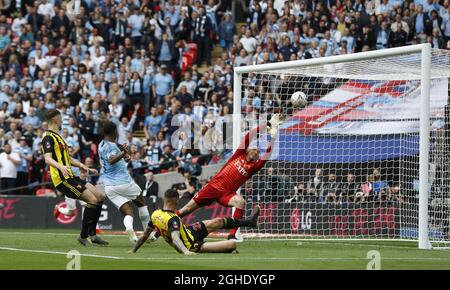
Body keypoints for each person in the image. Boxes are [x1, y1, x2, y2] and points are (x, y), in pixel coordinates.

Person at [174, 114, 284, 240]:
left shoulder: (253, 167)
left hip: (227, 194)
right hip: (213, 187)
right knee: (186, 209)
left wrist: (273, 138)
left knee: (240, 202)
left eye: (258, 152)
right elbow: (250, 135)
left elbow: (267, 155)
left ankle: (232, 235)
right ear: (248, 150)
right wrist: (267, 125)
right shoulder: (239, 154)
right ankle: (165, 226)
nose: (255, 152)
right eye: (254, 149)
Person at [41, 109, 108, 246]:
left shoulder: (59, 137)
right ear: (55, 120)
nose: (62, 121)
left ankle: (93, 235)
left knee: (100, 196)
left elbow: (67, 158)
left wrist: (82, 165)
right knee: (92, 200)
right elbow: (47, 159)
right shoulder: (48, 137)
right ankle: (84, 236)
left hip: (72, 176)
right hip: (63, 180)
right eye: (60, 118)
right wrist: (60, 167)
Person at [131, 189, 261, 255]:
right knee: (232, 245)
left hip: (189, 232)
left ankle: (250, 222)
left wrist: (133, 250)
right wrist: (187, 252)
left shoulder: (155, 214)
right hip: (191, 244)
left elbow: (144, 236)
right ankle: (245, 228)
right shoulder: (173, 219)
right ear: (176, 201)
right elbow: (176, 238)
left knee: (216, 222)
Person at [98, 121, 151, 243]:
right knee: (141, 202)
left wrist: (124, 156)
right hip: (123, 182)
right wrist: (122, 153)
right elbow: (111, 160)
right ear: (114, 131)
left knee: (128, 211)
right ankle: (147, 234)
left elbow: (113, 159)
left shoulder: (101, 144)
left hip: (109, 186)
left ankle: (129, 228)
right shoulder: (111, 146)